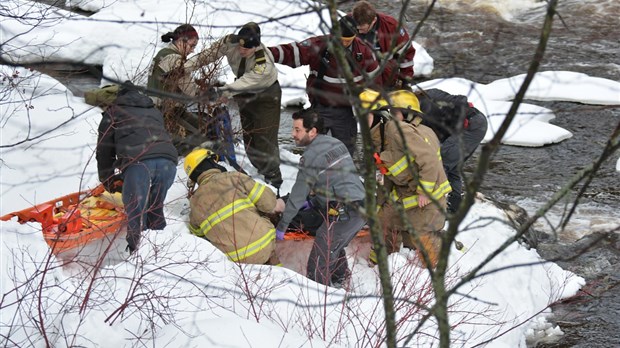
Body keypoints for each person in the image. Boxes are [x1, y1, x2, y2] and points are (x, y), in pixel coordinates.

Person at [269, 16, 385, 156]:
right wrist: (268, 53)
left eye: (348, 41)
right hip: (321, 107)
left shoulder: (363, 52)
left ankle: (343, 176)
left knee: (345, 152)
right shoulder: (320, 45)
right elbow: (294, 52)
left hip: (346, 112)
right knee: (316, 151)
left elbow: (375, 83)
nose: (344, 43)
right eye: (341, 39)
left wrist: (371, 110)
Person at [276, 109, 366, 288]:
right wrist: (314, 201)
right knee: (332, 246)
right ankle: (341, 283)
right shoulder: (335, 143)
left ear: (313, 131)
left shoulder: (311, 156)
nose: (293, 134)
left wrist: (282, 226)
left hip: (345, 211)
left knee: (318, 262)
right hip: (361, 206)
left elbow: (297, 195)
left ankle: (319, 301)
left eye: (297, 130)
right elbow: (338, 182)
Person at [364, 90, 451, 268]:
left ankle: (435, 269)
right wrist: (379, 203)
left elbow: (429, 161)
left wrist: (424, 192)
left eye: (396, 113)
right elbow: (385, 173)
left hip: (427, 195)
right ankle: (384, 259)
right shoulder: (380, 136)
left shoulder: (400, 132)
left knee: (421, 237)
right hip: (405, 192)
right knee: (384, 219)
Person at [195, 22, 283, 191]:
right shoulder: (231, 42)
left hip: (266, 96)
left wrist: (222, 92)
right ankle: (259, 170)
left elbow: (244, 82)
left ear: (256, 47)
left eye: (246, 49)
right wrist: (186, 67)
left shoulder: (264, 63)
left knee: (265, 137)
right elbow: (207, 55)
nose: (241, 51)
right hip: (244, 93)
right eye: (241, 47)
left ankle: (274, 178)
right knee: (249, 136)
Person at [96, 82, 178, 254]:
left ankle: (136, 252)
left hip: (140, 162)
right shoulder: (154, 110)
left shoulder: (113, 112)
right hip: (168, 161)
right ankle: (160, 250)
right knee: (155, 207)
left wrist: (108, 179)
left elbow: (104, 151)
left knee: (135, 212)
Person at [147, 24, 236, 161]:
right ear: (180, 41)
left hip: (162, 110)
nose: (193, 50)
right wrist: (214, 96)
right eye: (192, 45)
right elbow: (190, 90)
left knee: (201, 125)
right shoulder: (174, 59)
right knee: (203, 137)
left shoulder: (164, 54)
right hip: (165, 112)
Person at [390, 89, 488, 213]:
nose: (393, 117)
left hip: (471, 126)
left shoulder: (424, 109)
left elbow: (425, 140)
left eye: (394, 113)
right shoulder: (425, 97)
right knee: (454, 166)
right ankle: (454, 207)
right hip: (471, 123)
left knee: (442, 163)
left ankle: (435, 208)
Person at [185, 148, 285, 265]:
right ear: (211, 162)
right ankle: (282, 275)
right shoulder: (232, 178)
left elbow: (197, 232)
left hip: (235, 259)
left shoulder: (195, 201)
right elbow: (269, 203)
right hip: (264, 244)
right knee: (272, 259)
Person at [351, 0, 416, 89]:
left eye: (362, 29)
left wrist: (406, 81)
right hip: (360, 79)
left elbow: (406, 54)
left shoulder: (392, 26)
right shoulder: (346, 23)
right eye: (357, 28)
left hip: (386, 78)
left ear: (373, 20)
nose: (358, 32)